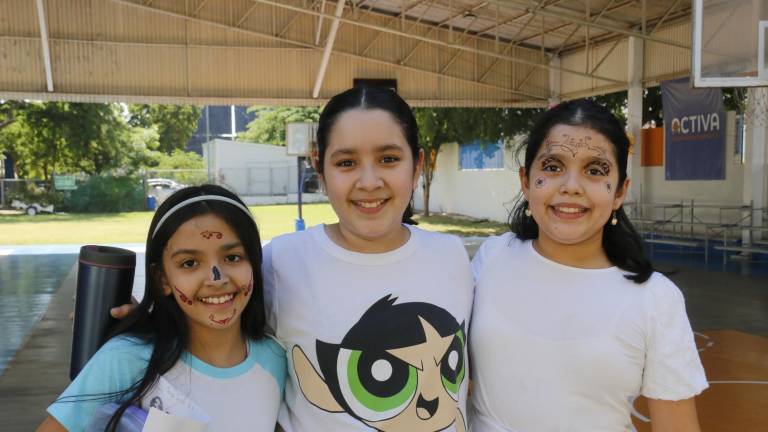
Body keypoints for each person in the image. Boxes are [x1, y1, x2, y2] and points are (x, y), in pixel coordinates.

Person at [468, 100, 708, 431]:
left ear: (621, 191)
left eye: (595, 170)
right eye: (552, 166)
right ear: (525, 181)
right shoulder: (491, 258)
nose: (571, 186)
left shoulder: (655, 300)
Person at [265, 86, 474, 431]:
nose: (369, 181)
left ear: (418, 164)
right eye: (346, 163)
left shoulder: (451, 256)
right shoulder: (280, 262)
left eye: (388, 159)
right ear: (320, 168)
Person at [38, 185, 286, 432]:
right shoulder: (127, 359)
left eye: (233, 257)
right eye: (189, 263)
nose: (216, 278)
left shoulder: (276, 358)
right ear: (163, 279)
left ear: (254, 262)